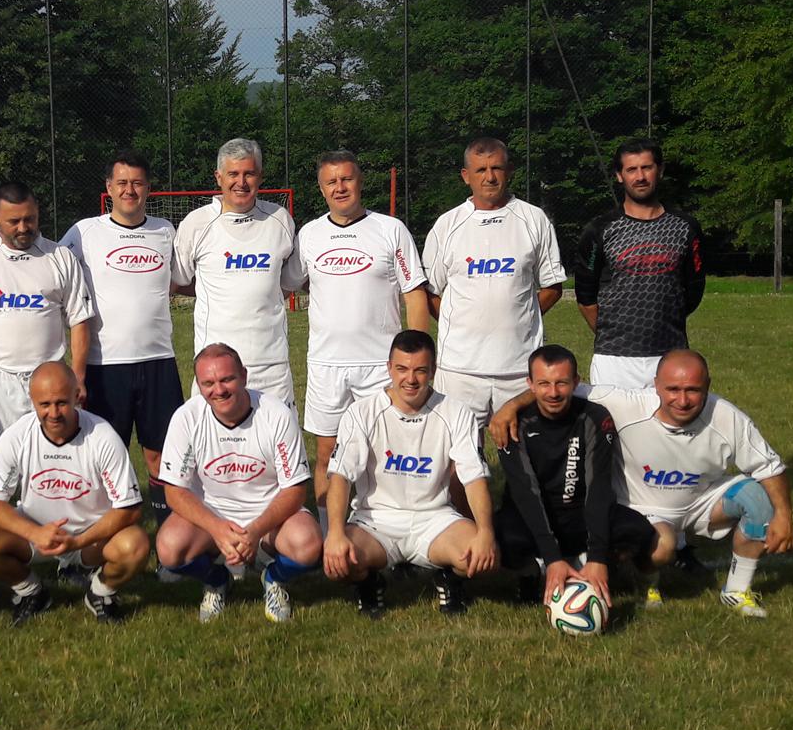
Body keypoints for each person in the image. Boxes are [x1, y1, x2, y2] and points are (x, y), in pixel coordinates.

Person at [490, 349, 793, 617]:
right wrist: (511, 407)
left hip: (702, 502)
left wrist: (783, 515)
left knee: (757, 498)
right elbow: (558, 388)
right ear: (656, 385)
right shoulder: (627, 404)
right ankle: (647, 585)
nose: (682, 400)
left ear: (708, 386)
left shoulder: (727, 416)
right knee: (662, 546)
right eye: (672, 389)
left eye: (693, 390)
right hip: (647, 509)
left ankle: (737, 591)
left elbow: (769, 466)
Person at [322, 331, 495, 618]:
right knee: (339, 562)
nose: (410, 379)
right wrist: (335, 533)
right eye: (402, 369)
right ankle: (369, 583)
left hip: (435, 519)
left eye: (420, 370)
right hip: (375, 521)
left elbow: (474, 479)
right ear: (389, 368)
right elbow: (340, 477)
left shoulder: (456, 412)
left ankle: (449, 579)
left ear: (433, 371)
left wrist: (486, 532)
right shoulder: (361, 412)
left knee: (483, 555)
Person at [0, 362, 151, 624]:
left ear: (77, 395)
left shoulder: (102, 436)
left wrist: (77, 542)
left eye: (61, 403)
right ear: (32, 400)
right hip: (36, 534)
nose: (53, 413)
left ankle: (100, 593)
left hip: (90, 539)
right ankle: (31, 592)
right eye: (44, 404)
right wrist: (35, 533)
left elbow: (129, 509)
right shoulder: (17, 435)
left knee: (135, 545)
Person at [55, 150, 185, 523]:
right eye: (123, 183)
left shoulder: (165, 231)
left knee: (161, 455)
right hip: (104, 364)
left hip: (158, 361)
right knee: (103, 454)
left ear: (149, 188)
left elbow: (185, 277)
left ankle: (167, 536)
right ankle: (102, 534)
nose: (130, 190)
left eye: (138, 183)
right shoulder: (84, 232)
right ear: (109, 187)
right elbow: (46, 262)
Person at [154, 343, 320, 623]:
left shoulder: (275, 413)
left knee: (308, 544)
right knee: (169, 548)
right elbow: (174, 491)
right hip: (212, 516)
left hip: (268, 518)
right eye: (208, 383)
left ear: (243, 375)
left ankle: (273, 578)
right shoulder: (186, 417)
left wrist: (254, 532)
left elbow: (295, 490)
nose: (218, 390)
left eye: (227, 379)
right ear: (198, 384)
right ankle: (216, 580)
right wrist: (217, 529)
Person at [490, 344, 658, 611]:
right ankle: (532, 573)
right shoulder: (513, 423)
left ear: (576, 382)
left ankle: (591, 565)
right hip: (533, 517)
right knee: (499, 537)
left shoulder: (595, 417)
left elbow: (598, 487)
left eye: (562, 383)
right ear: (530, 385)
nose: (553, 392)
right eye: (544, 384)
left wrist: (598, 555)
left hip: (579, 516)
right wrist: (552, 556)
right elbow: (526, 493)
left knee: (641, 531)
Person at [0, 181, 94, 472]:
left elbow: (79, 320)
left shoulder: (60, 257)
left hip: (49, 382)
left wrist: (77, 376)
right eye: (14, 221)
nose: (23, 227)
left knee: (53, 468)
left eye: (30, 219)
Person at [297, 150, 429, 477]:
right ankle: (332, 514)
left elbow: (414, 294)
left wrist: (417, 357)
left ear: (360, 181)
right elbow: (291, 282)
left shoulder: (390, 229)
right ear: (321, 188)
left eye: (347, 179)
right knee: (327, 455)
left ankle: (382, 511)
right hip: (326, 365)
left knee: (388, 453)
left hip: (379, 365)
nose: (340, 187)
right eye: (331, 182)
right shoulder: (309, 234)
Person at [421, 138, 567, 421]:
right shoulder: (447, 225)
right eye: (480, 170)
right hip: (459, 370)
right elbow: (430, 292)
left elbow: (552, 286)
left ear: (509, 171)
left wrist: (521, 317)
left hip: (520, 367)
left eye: (497, 168)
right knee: (458, 448)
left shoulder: (533, 219)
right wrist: (459, 321)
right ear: (466, 176)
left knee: (522, 447)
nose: (489, 177)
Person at [171, 138, 305, 407]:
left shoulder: (280, 219)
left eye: (249, 173)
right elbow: (178, 280)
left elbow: (286, 282)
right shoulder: (196, 224)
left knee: (279, 435)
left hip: (272, 368)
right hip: (215, 369)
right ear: (218, 177)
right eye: (233, 174)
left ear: (260, 177)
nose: (241, 182)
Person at [575, 138, 706, 388]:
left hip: (670, 354)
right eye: (631, 169)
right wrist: (615, 334)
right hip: (614, 361)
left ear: (660, 170)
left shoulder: (685, 227)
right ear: (619, 176)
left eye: (647, 167)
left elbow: (694, 289)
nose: (640, 177)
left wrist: (664, 323)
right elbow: (585, 297)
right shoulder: (599, 229)